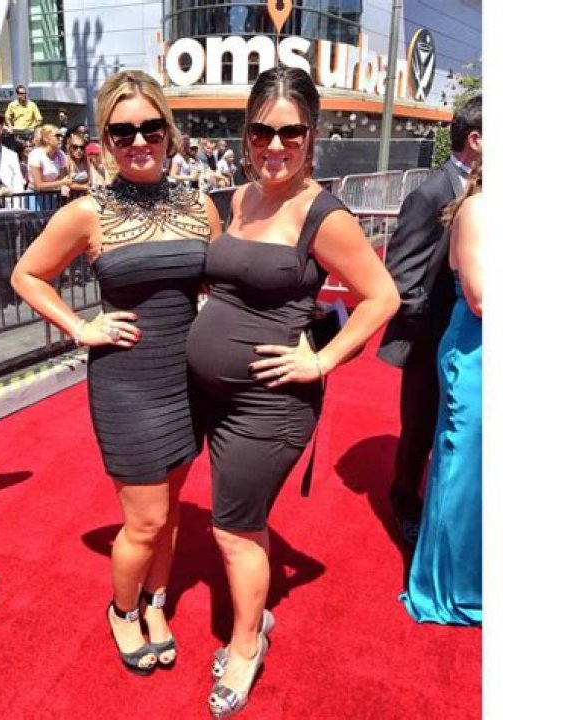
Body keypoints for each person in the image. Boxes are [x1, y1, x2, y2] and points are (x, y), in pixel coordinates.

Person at [185, 66, 399, 717]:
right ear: (246, 133)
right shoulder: (239, 200)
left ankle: (245, 644)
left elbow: (381, 296)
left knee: (232, 528)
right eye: (261, 132)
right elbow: (223, 276)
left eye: (290, 133)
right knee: (243, 522)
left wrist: (322, 358)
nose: (274, 146)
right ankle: (256, 616)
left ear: (313, 135)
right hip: (213, 398)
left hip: (270, 404)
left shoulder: (322, 215)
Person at [11, 69, 222, 676]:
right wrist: (80, 328)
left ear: (169, 132)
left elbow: (221, 279)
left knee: (173, 507)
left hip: (188, 378)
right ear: (104, 139)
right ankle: (122, 610)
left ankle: (156, 603)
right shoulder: (88, 212)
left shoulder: (199, 205)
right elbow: (27, 275)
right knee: (146, 518)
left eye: (150, 127)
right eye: (122, 130)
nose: (138, 140)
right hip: (128, 383)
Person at [377, 96, 482, 546]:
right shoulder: (431, 193)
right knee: (419, 427)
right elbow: (400, 275)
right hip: (433, 336)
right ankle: (404, 501)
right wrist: (428, 331)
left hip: (468, 334)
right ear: (476, 140)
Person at [400, 157, 482, 626]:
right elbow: (405, 269)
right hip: (464, 345)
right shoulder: (465, 205)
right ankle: (450, 579)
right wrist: (414, 327)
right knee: (453, 458)